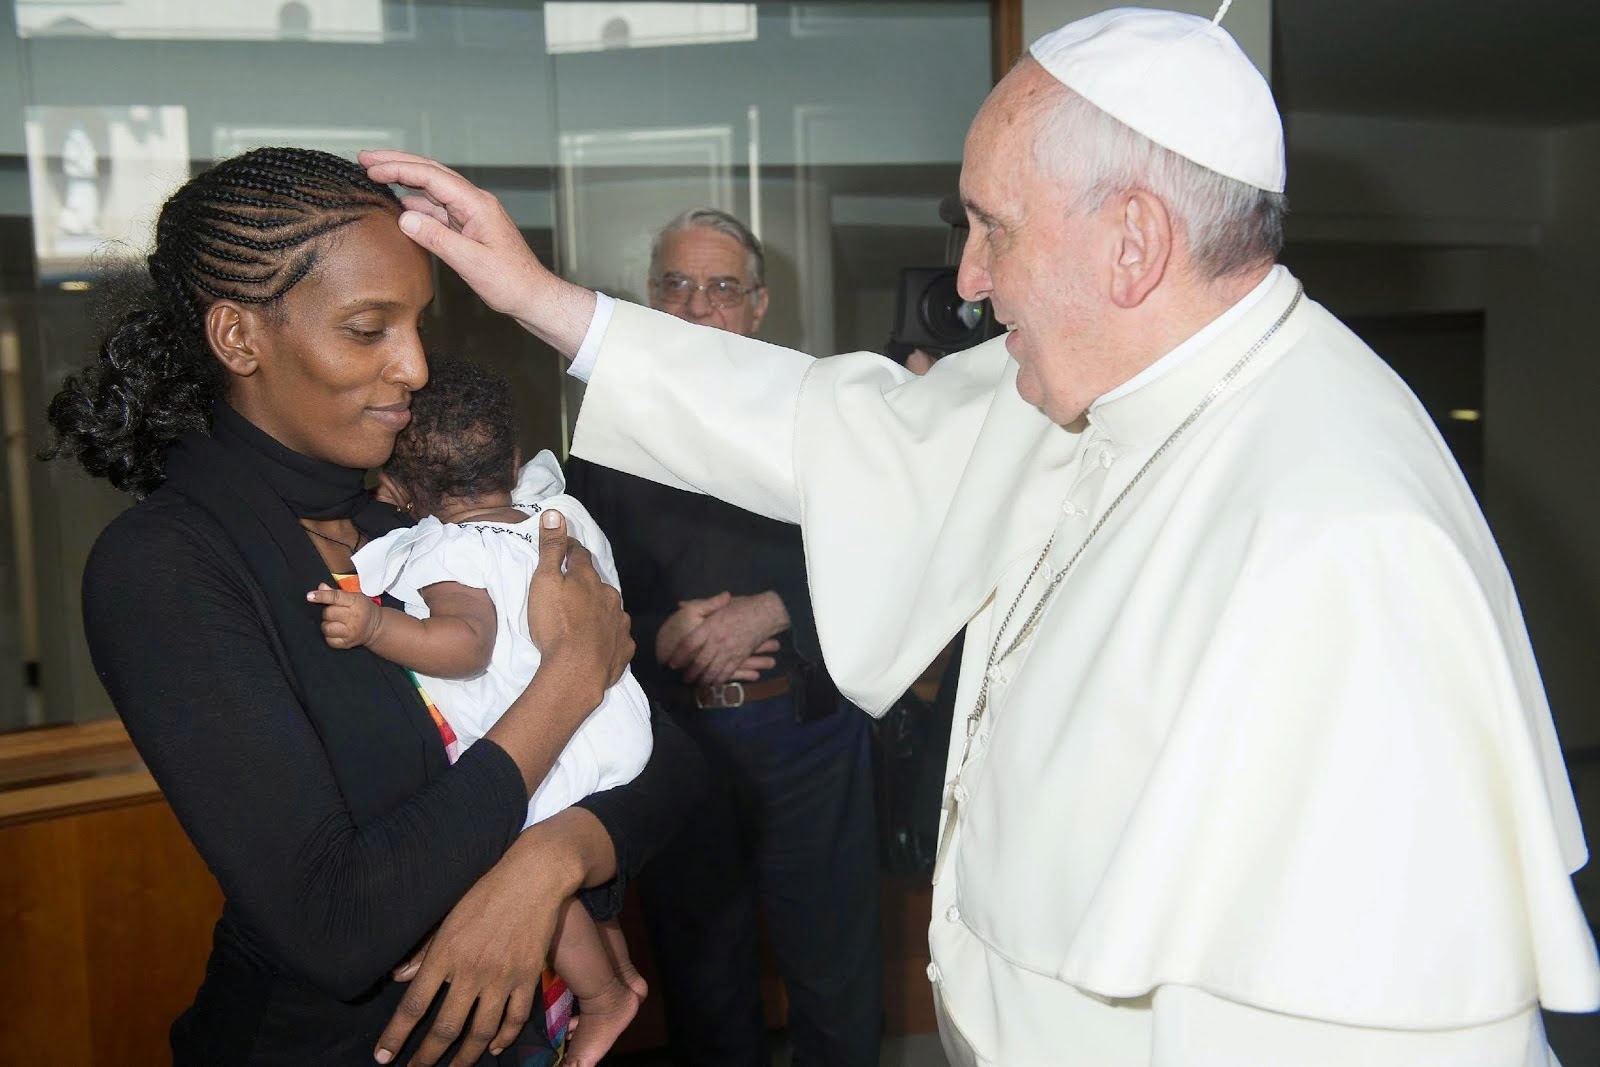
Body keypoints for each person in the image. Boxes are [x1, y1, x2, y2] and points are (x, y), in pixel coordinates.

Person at [360, 7, 1600, 1063]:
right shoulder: (1113, 372)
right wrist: (539, 298)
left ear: (1132, 243)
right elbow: (834, 427)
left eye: (991, 224)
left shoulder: (1347, 539)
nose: (965, 279)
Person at [45, 146, 704, 1067]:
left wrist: (543, 869)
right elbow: (337, 921)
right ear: (238, 338)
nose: (417, 366)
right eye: (368, 329)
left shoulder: (412, 517)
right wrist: (568, 680)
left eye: (420, 323)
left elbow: (673, 767)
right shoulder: (164, 566)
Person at [564, 208, 883, 1066]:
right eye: (676, 285)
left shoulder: (825, 412)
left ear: (757, 306)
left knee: (835, 975)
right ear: (649, 299)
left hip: (806, 731)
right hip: (678, 742)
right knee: (704, 983)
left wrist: (773, 607)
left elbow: (891, 549)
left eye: (720, 288)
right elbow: (575, 590)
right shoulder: (603, 436)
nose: (696, 306)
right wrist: (654, 628)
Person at [307, 357, 653, 1066]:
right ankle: (615, 954)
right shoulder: (559, 516)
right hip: (610, 721)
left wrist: (375, 627)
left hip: (548, 737)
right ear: (517, 459)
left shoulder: (451, 551)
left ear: (399, 488)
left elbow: (465, 644)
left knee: (522, 861)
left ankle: (602, 996)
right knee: (581, 866)